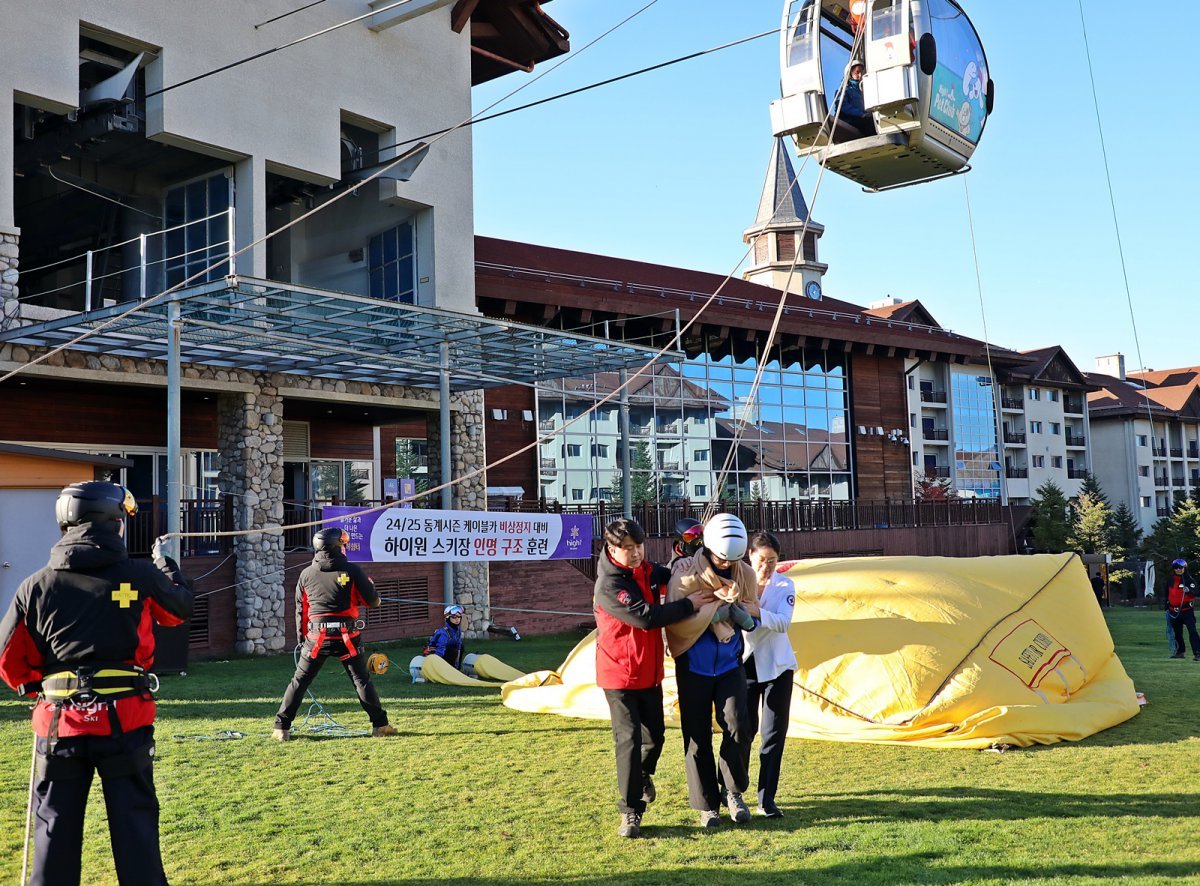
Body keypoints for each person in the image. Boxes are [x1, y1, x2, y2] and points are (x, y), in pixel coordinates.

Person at [0, 481, 193, 886]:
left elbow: (9, 661)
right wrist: (166, 567)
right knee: (135, 827)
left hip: (58, 726)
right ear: (114, 522)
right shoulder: (138, 575)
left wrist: (43, 684)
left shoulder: (35, 586)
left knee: (53, 830)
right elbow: (177, 611)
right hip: (125, 722)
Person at [594, 517, 712, 839]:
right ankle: (630, 811)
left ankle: (643, 775)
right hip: (619, 675)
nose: (634, 553)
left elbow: (671, 573)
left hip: (649, 673)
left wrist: (690, 557)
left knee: (655, 737)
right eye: (626, 548)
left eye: (638, 546)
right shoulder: (609, 585)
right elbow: (647, 618)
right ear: (611, 548)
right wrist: (691, 604)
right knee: (629, 739)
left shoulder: (646, 570)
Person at [666, 513, 759, 828]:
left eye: (731, 560)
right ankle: (706, 804)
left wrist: (744, 616)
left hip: (730, 661)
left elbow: (753, 608)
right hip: (694, 664)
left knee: (739, 723)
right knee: (697, 734)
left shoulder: (744, 573)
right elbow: (675, 618)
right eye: (720, 558)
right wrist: (712, 612)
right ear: (706, 547)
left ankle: (732, 791)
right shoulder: (683, 573)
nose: (724, 565)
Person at [273, 528, 398, 740]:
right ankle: (380, 726)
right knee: (361, 680)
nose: (345, 547)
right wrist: (370, 589)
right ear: (336, 546)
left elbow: (301, 611)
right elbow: (373, 602)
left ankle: (280, 728)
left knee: (299, 681)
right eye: (343, 544)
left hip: (315, 638)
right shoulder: (353, 571)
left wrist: (302, 639)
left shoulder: (306, 574)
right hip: (346, 637)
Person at [738, 532, 796, 818]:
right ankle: (733, 791)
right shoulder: (737, 581)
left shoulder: (785, 584)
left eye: (772, 561)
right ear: (750, 555)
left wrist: (756, 610)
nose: (767, 566)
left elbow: (783, 623)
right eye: (762, 560)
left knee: (773, 734)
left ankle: (767, 799)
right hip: (745, 665)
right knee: (742, 732)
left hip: (778, 667)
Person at [1165, 558, 1200, 661]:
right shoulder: (1170, 580)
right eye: (1176, 568)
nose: (1178, 569)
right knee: (1177, 632)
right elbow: (1167, 594)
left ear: (1185, 568)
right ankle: (1180, 652)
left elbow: (1195, 593)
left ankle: (1198, 653)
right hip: (1174, 611)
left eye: (1181, 567)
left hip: (1187, 611)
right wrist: (1166, 606)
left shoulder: (1189, 580)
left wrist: (1188, 590)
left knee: (1192, 631)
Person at [833, 61, 875, 137]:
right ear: (849, 74)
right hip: (848, 121)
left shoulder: (862, 91)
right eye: (857, 72)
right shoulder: (843, 90)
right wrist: (862, 115)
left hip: (860, 119)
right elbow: (844, 107)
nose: (860, 75)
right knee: (870, 123)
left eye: (861, 72)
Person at [425, 604, 466, 669]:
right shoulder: (443, 633)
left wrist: (457, 665)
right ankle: (448, 669)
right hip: (434, 655)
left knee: (461, 647)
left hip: (447, 652)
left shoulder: (458, 630)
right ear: (448, 618)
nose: (457, 619)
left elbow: (459, 646)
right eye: (454, 617)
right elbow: (439, 651)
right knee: (453, 651)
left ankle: (455, 669)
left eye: (459, 617)